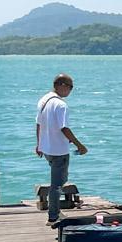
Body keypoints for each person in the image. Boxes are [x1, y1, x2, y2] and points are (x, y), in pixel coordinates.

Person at [36, 73, 87, 227]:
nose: (70, 91)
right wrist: (80, 145)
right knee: (57, 184)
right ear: (61, 85)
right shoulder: (61, 105)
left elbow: (38, 124)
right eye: (70, 87)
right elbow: (64, 128)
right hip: (58, 150)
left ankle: (55, 211)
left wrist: (38, 144)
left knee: (58, 181)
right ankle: (53, 216)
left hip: (47, 149)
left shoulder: (43, 100)